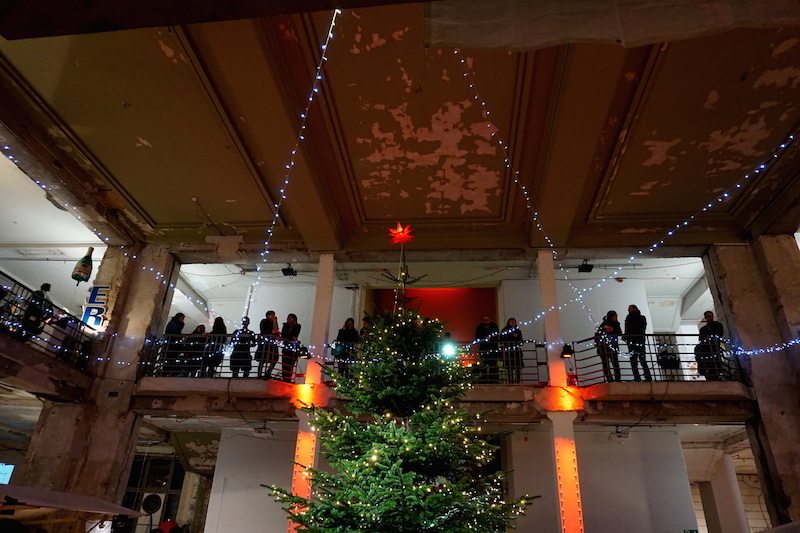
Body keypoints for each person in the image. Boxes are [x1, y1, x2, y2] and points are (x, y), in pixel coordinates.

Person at [623, 304, 650, 381]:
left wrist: (626, 337)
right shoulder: (642, 318)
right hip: (640, 341)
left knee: (634, 361)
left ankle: (638, 377)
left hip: (633, 342)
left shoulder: (629, 318)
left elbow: (627, 329)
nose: (631, 310)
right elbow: (643, 328)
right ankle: (647, 377)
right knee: (641, 360)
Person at [696, 310, 726, 380]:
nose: (710, 318)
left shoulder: (718, 325)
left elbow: (720, 334)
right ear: (706, 317)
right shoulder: (703, 329)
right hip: (707, 350)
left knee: (716, 363)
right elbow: (701, 339)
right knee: (709, 364)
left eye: (711, 316)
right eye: (708, 316)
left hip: (715, 348)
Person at [595, 310, 622, 382]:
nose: (616, 317)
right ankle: (615, 380)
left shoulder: (604, 324)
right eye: (615, 316)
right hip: (609, 347)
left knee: (608, 365)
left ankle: (613, 380)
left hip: (605, 347)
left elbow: (598, 334)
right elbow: (619, 333)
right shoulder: (612, 324)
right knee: (613, 364)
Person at [474, 315, 500, 384]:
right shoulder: (480, 327)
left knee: (493, 364)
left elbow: (497, 336)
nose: (486, 321)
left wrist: (490, 338)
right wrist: (484, 338)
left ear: (490, 319)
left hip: (493, 348)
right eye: (485, 320)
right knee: (483, 365)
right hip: (483, 348)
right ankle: (484, 379)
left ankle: (494, 380)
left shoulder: (494, 326)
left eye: (487, 319)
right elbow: (477, 337)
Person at [256, 310, 281, 378]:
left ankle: (268, 372)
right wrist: (272, 331)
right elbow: (265, 330)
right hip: (265, 343)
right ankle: (259, 374)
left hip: (272, 344)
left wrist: (275, 321)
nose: (273, 317)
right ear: (268, 315)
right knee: (262, 358)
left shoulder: (273, 322)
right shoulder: (264, 321)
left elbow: (276, 329)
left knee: (274, 358)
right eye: (272, 315)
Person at [500, 318, 524, 384]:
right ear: (508, 322)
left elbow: (521, 341)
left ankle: (517, 382)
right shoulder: (504, 330)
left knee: (517, 368)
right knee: (509, 368)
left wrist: (517, 337)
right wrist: (511, 335)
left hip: (516, 352)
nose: (513, 323)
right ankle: (511, 382)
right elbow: (501, 340)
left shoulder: (518, 331)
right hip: (508, 352)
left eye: (514, 321)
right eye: (511, 321)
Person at [280, 313, 302, 382]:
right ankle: (285, 378)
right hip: (286, 348)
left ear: (295, 320)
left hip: (293, 349)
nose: (289, 321)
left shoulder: (297, 326)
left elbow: (294, 335)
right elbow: (284, 335)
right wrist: (290, 337)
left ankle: (288, 379)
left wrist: (290, 337)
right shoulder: (285, 325)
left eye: (291, 319)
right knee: (284, 364)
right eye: (288, 319)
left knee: (290, 365)